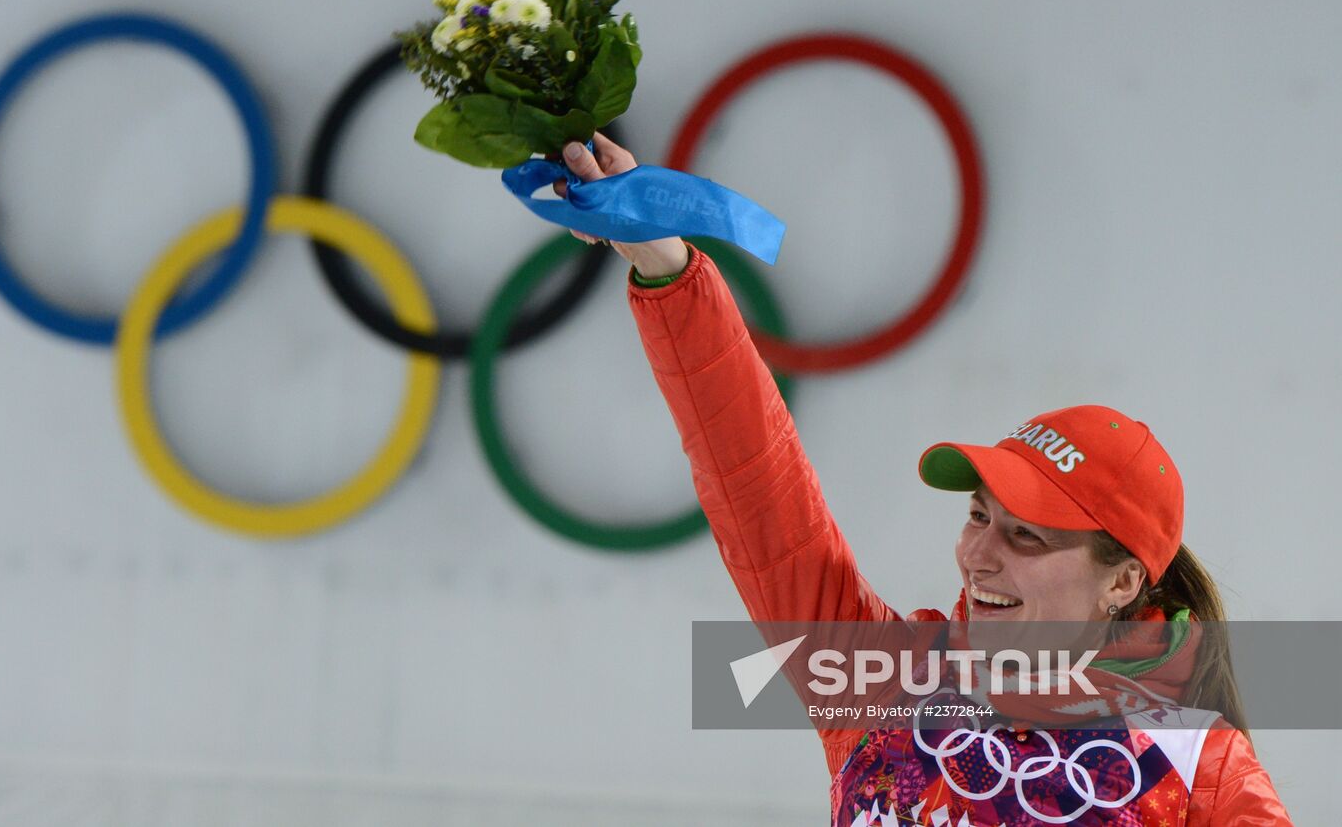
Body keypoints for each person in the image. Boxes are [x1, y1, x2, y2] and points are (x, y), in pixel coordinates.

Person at [550, 134, 1293, 825]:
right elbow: (753, 476)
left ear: (1123, 580)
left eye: (1027, 535)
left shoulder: (1202, 767)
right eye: (978, 515)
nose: (979, 555)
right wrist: (666, 266)